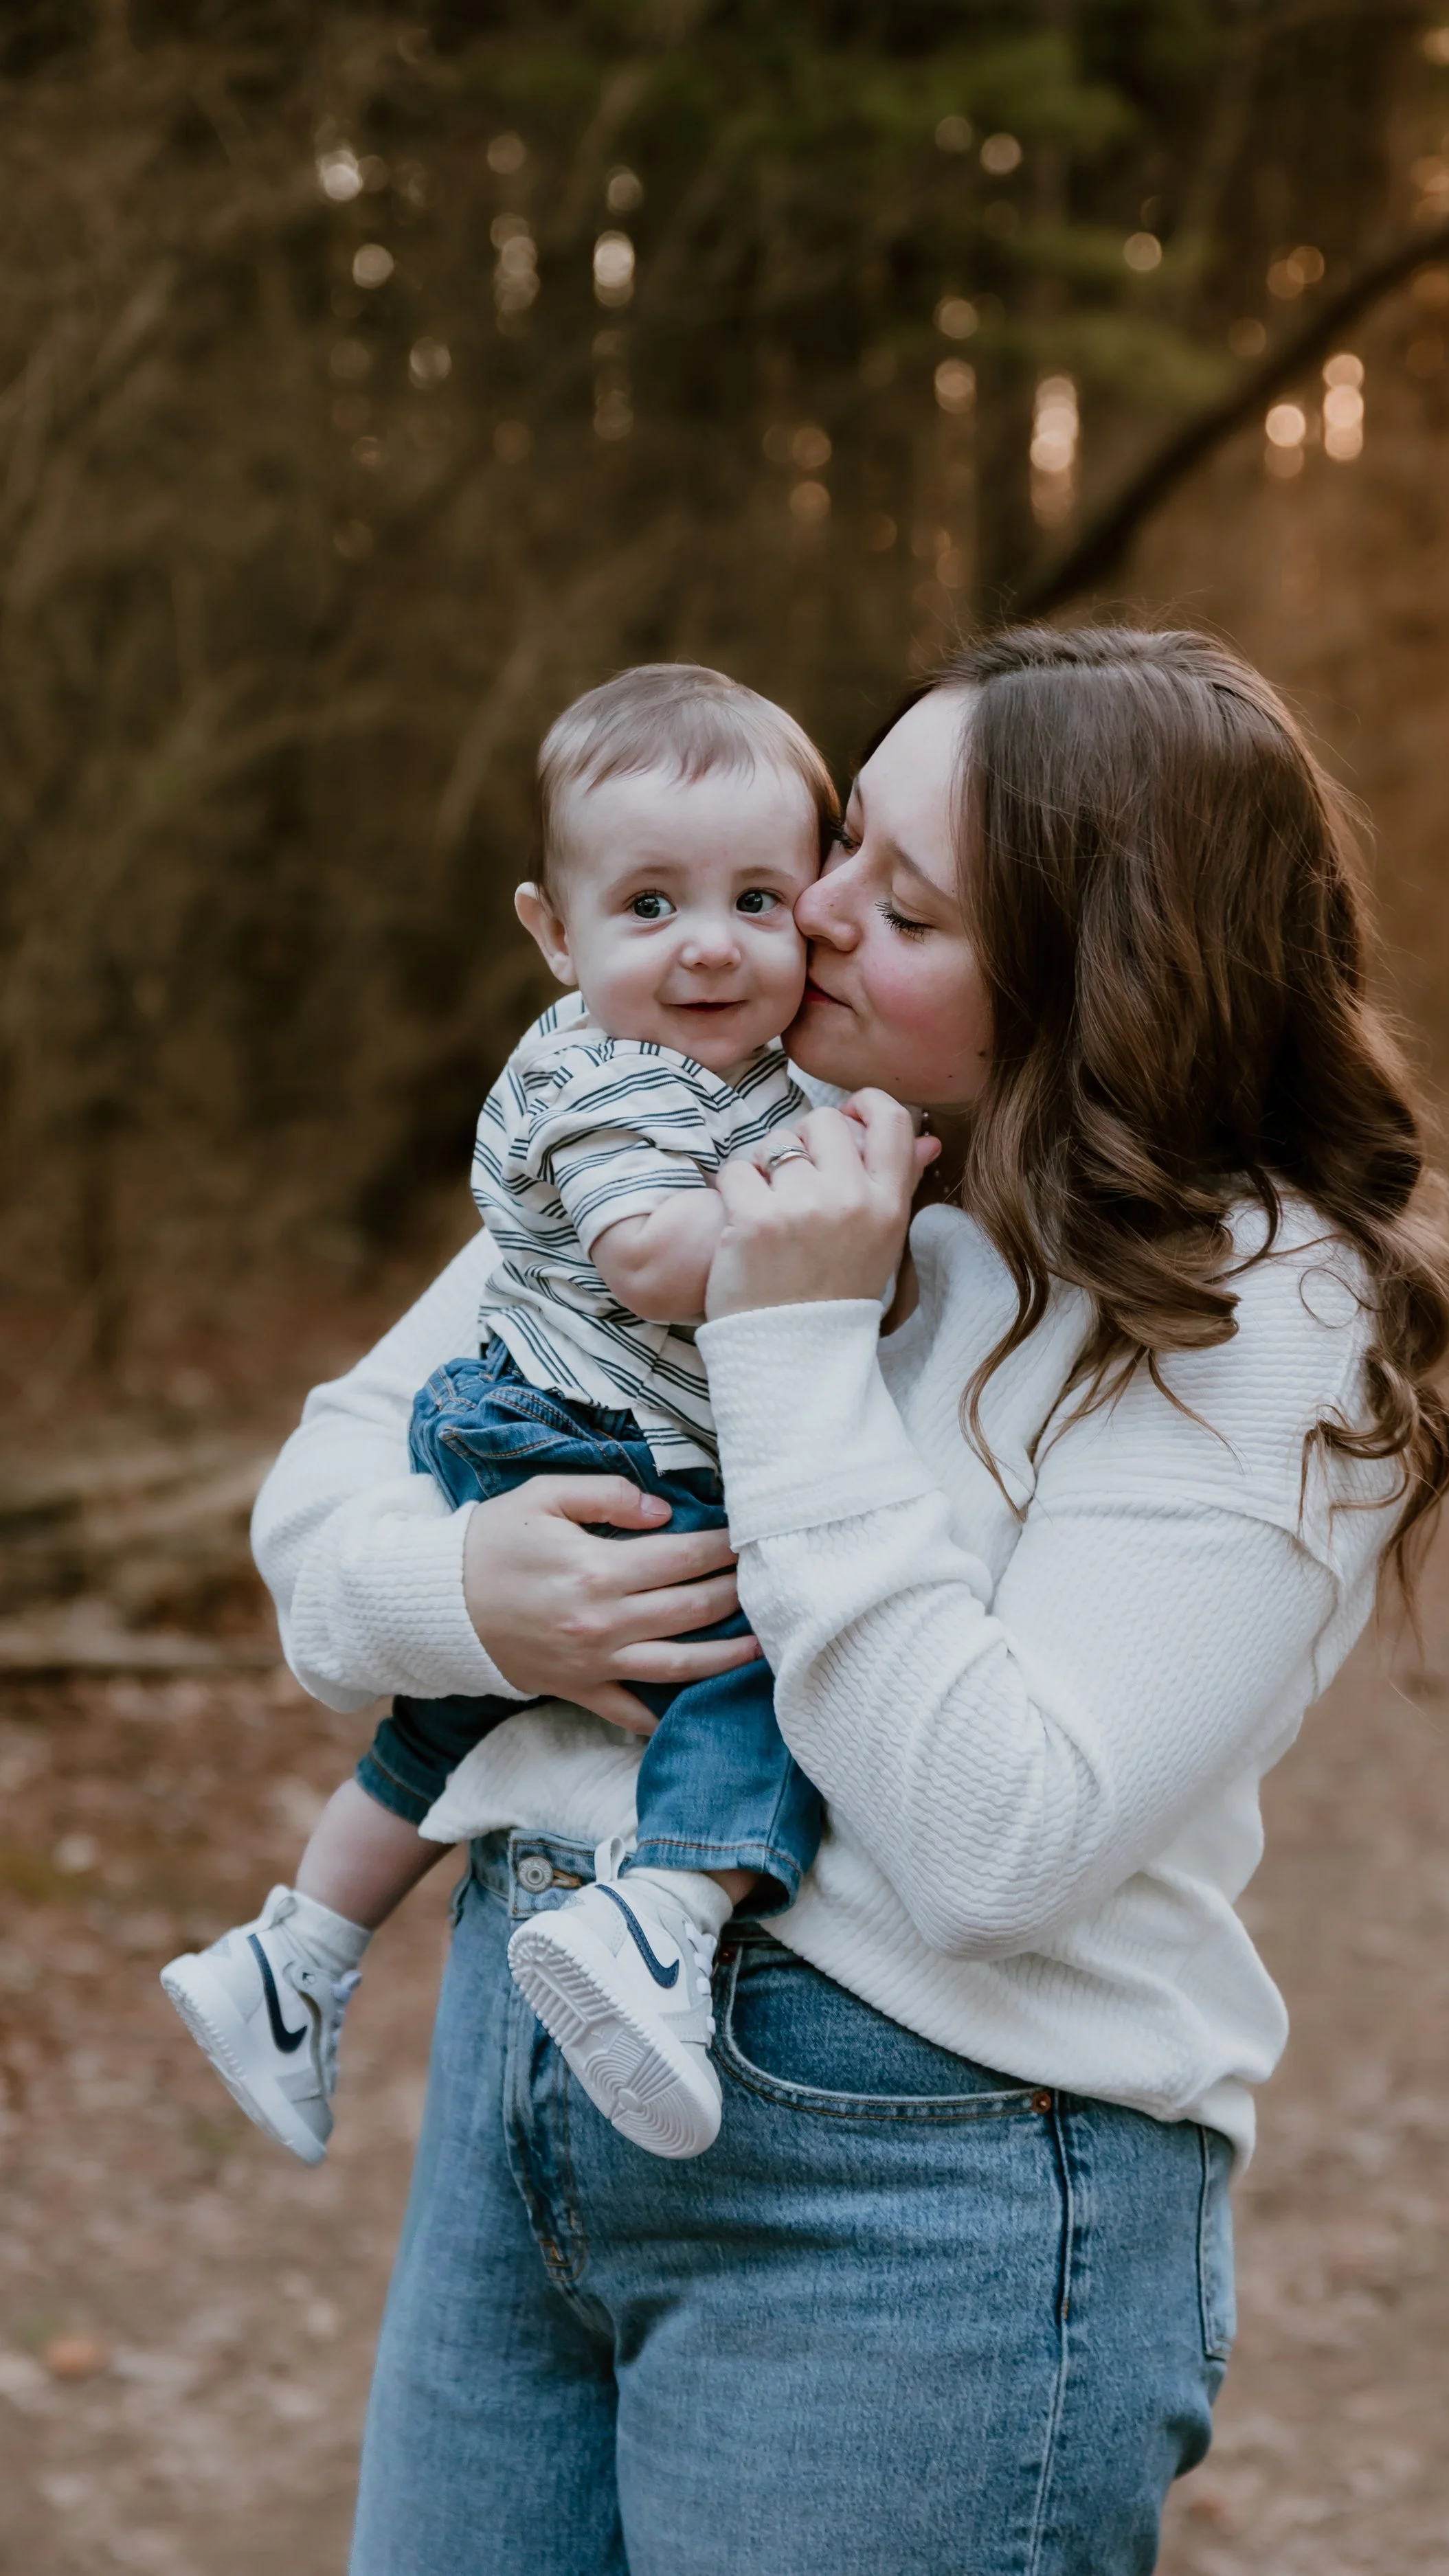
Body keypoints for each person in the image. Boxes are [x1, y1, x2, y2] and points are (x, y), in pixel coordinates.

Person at [251, 627, 1449, 2575]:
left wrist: (794, 1338)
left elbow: (995, 1837)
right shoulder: (707, 1115)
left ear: (1095, 981)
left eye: (892, 902)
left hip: (923, 2194)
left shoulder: (1259, 1304)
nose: (801, 919)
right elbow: (321, 1522)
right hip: (524, 2085)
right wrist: (472, 1594)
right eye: (841, 846)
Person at [161, 665, 875, 2167]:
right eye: (648, 908)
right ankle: (664, 1918)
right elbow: (651, 1261)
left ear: (818, 904)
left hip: (561, 1426)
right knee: (755, 1658)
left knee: (456, 1715)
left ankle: (292, 1955)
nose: (706, 947)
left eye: (757, 899)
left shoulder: (740, 1073)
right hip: (584, 1439)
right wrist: (845, 1208)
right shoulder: (611, 1080)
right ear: (553, 934)